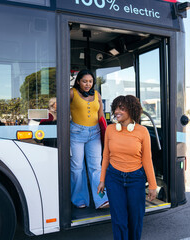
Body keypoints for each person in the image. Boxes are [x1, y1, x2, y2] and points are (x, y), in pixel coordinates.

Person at [97, 95, 157, 240]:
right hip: (114, 178)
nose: (117, 111)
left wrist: (153, 185)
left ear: (131, 110)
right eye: (116, 108)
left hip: (136, 179)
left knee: (135, 219)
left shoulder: (142, 131)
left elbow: (147, 159)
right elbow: (106, 156)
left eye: (121, 108)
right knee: (119, 220)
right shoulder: (110, 130)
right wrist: (102, 180)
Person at [70, 69, 109, 209]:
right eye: (84, 81)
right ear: (79, 81)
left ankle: (101, 200)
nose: (88, 84)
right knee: (77, 168)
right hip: (76, 133)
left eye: (90, 81)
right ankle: (79, 199)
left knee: (96, 167)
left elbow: (101, 115)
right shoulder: (71, 93)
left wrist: (107, 132)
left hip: (95, 134)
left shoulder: (97, 94)